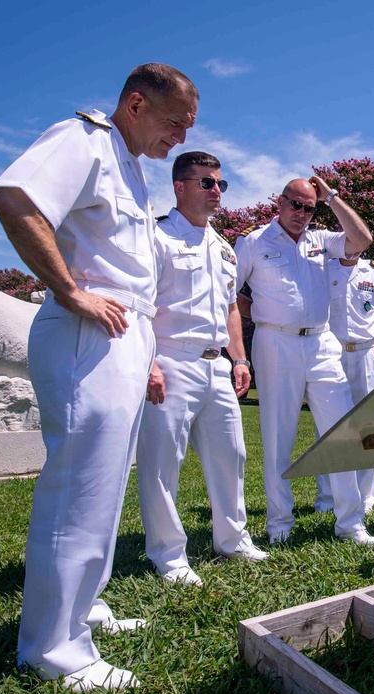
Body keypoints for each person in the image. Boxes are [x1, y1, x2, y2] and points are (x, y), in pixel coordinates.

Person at [0, 63, 199, 691]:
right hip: (89, 330)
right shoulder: (83, 141)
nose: (179, 141)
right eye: (173, 124)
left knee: (104, 488)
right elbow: (12, 198)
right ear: (136, 104)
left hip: (126, 333)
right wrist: (71, 290)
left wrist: (150, 350)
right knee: (80, 486)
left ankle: (85, 608)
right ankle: (54, 651)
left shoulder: (130, 165)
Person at [136, 152, 267, 591]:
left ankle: (232, 539)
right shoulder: (156, 237)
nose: (217, 193)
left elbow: (231, 307)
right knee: (161, 463)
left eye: (221, 185)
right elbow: (140, 306)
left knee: (231, 455)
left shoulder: (224, 247)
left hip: (218, 365)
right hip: (170, 358)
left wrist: (241, 358)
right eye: (208, 183)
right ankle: (169, 555)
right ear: (180, 187)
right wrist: (148, 361)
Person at [234, 177, 374, 547]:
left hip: (321, 341)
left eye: (309, 207)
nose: (301, 213)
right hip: (275, 342)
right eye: (295, 204)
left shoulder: (321, 240)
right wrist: (261, 314)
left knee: (341, 430)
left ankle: (350, 522)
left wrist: (331, 196)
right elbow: (229, 294)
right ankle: (280, 523)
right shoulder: (253, 242)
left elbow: (362, 240)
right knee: (277, 434)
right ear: (280, 203)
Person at [313, 254, 374, 514]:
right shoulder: (324, 268)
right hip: (331, 352)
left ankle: (366, 498)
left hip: (368, 352)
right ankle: (327, 498)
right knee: (328, 425)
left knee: (369, 424)